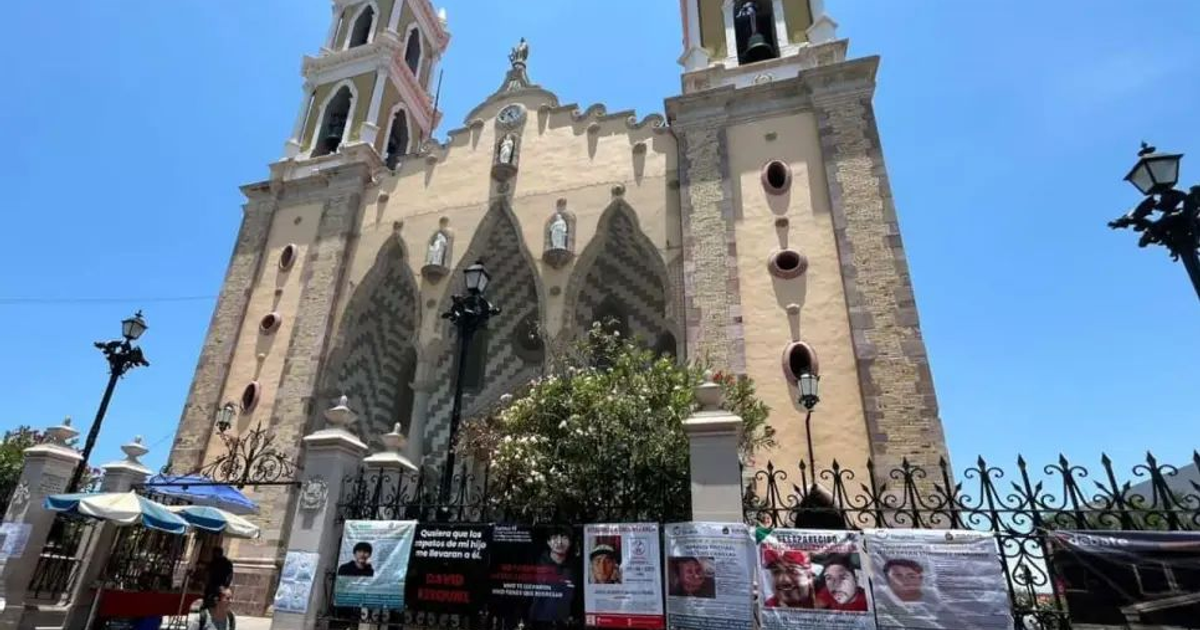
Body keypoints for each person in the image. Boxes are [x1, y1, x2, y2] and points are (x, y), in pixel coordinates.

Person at [529, 527, 578, 622]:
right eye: (554, 537)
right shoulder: (537, 564)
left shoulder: (575, 567)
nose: (559, 542)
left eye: (564, 537)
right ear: (548, 542)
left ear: (571, 542)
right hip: (539, 621)